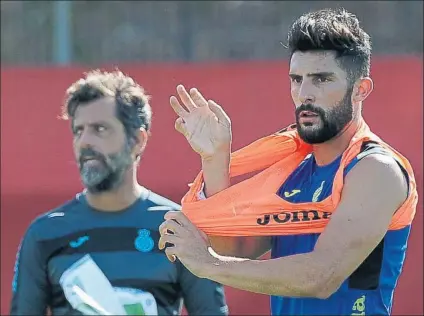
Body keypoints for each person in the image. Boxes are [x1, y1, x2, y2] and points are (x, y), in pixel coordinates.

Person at [158, 8, 418, 316]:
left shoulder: (376, 169)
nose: (304, 93)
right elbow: (236, 248)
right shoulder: (292, 168)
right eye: (297, 79)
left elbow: (321, 276)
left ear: (359, 90)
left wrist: (208, 264)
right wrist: (215, 159)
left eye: (321, 79)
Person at [10, 70, 228, 316]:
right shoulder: (44, 234)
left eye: (100, 129)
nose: (84, 142)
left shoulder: (178, 228)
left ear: (137, 140)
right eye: (78, 131)